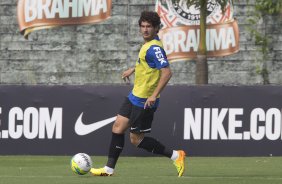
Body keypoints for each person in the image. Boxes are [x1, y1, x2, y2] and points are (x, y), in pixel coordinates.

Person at [90, 11, 186, 177]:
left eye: (149, 26)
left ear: (156, 28)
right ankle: (108, 169)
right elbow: (148, 64)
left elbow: (167, 72)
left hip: (145, 101)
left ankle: (176, 156)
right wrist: (133, 69)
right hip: (135, 95)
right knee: (118, 127)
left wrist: (154, 95)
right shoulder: (148, 45)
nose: (145, 29)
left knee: (136, 140)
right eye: (143, 26)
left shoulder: (154, 48)